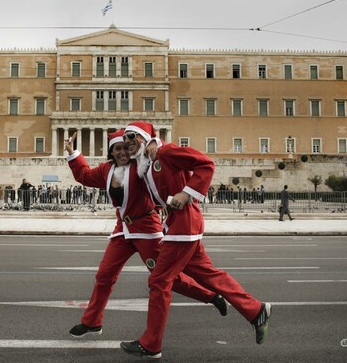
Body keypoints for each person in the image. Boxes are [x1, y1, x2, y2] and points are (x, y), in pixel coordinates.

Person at [119, 121, 270, 359]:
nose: (126, 143)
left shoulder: (166, 151)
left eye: (130, 137)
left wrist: (187, 193)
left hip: (184, 226)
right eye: (123, 140)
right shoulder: (146, 165)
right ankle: (256, 310)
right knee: (208, 274)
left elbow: (206, 164)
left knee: (159, 281)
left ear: (144, 137)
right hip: (180, 227)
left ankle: (151, 344)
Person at [65, 129, 227, 339]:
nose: (122, 152)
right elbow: (84, 175)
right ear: (111, 152)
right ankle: (92, 322)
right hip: (122, 230)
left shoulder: (140, 167)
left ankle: (212, 296)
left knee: (167, 277)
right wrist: (73, 153)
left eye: (125, 148)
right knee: (104, 275)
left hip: (146, 230)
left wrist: (154, 143)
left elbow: (160, 164)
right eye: (117, 149)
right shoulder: (107, 170)